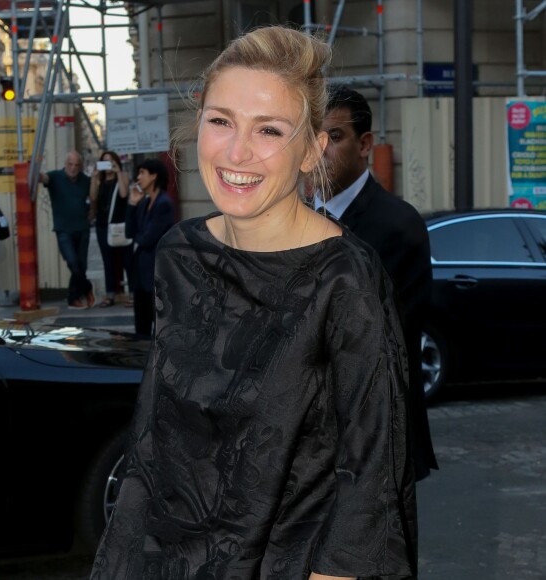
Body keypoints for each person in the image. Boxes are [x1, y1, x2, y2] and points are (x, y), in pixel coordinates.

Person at [91, 26, 417, 580]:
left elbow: (374, 471)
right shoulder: (179, 253)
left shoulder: (343, 277)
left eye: (269, 130)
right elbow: (153, 441)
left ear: (313, 147)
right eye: (221, 121)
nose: (236, 152)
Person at [316, 85, 437, 481]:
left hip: (376, 436)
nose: (318, 151)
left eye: (334, 137)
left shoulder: (398, 225)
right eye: (310, 137)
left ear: (365, 144)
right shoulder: (295, 218)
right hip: (310, 442)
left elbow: (386, 340)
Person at [125, 158, 175, 336]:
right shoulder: (144, 203)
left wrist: (139, 237)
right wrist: (132, 204)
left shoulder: (164, 204)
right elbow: (129, 232)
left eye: (142, 173)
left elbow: (147, 239)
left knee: (159, 325)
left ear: (153, 176)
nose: (138, 178)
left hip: (156, 272)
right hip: (140, 272)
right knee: (141, 325)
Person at [39, 151, 95, 309]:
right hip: (63, 229)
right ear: (66, 163)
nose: (73, 168)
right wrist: (35, 169)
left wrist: (92, 211)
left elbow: (93, 198)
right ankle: (87, 288)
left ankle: (73, 298)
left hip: (83, 228)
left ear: (81, 166)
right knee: (72, 262)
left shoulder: (85, 180)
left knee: (81, 265)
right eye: (70, 164)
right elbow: (44, 178)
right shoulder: (56, 176)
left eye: (77, 165)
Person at [90, 151, 133, 308]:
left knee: (127, 260)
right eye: (105, 162)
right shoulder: (100, 180)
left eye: (110, 162)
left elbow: (123, 193)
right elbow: (93, 197)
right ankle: (110, 294)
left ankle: (132, 294)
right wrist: (94, 177)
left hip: (120, 225)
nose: (108, 166)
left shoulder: (122, 176)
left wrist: (118, 172)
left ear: (116, 162)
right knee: (108, 261)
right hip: (103, 225)